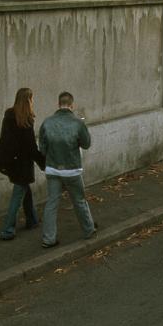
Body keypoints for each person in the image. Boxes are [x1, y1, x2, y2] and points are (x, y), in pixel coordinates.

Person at [37, 91, 95, 248]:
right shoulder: (77, 123)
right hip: (72, 170)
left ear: (58, 104)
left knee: (52, 203)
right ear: (71, 105)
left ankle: (49, 238)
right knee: (79, 200)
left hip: (52, 169)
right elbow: (86, 144)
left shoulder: (47, 122)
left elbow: (42, 148)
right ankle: (89, 229)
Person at [0, 87, 44, 239]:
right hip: (22, 164)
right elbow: (31, 147)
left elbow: (4, 140)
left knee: (24, 189)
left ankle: (32, 219)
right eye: (32, 99)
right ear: (29, 100)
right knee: (18, 194)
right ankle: (8, 229)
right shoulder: (26, 120)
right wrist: (44, 162)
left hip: (11, 162)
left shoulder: (9, 116)